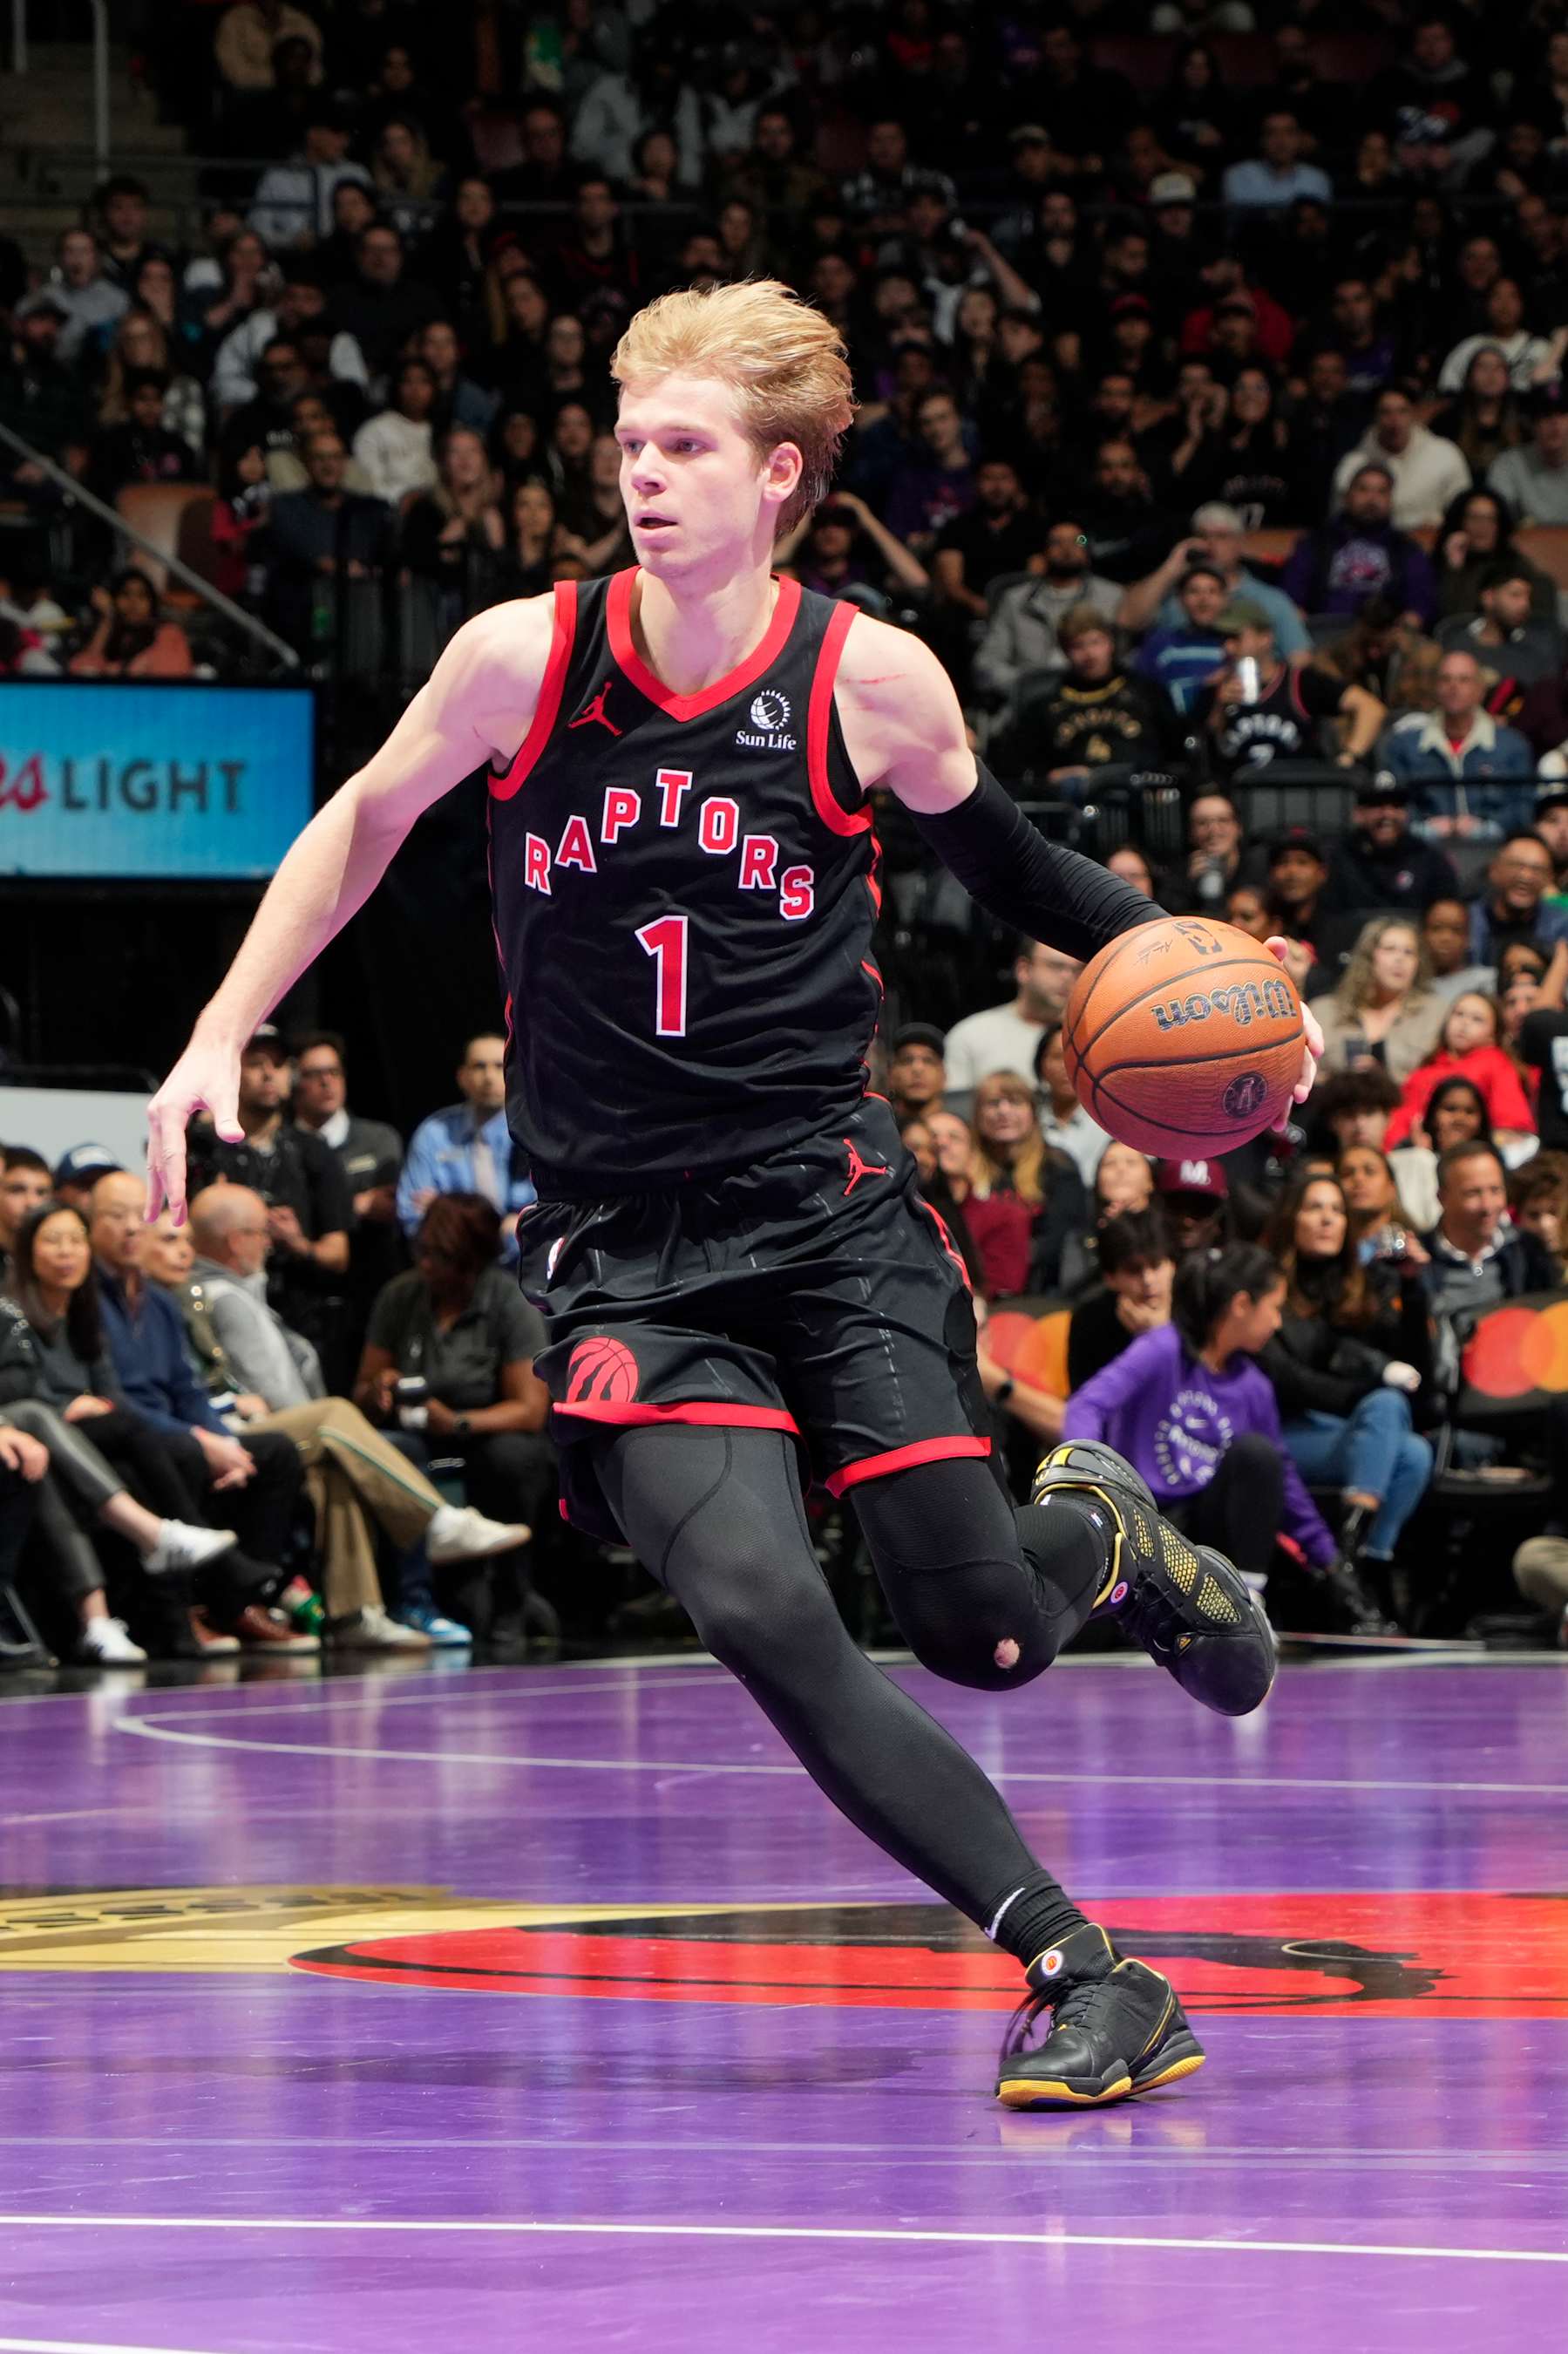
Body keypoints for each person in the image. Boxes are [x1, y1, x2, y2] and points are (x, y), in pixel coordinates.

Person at [148, 276, 1309, 2115]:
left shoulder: (864, 679)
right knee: (764, 1606)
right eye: (627, 443)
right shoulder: (520, 659)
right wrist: (223, 1026)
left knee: (982, 1635)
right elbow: (366, 818)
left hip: (826, 1215)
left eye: (684, 446)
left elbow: (1005, 861)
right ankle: (1081, 1967)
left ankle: (1101, 1533)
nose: (645, 476)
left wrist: (1220, 981)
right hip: (618, 1251)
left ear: (778, 475)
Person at [178, 1187, 526, 1645]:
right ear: (233, 1240)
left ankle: (357, 1615)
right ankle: (433, 1519)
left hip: (261, 1430)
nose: (269, 1242)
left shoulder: (227, 1294)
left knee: (340, 1465)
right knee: (333, 1417)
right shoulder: (222, 1297)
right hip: (244, 1435)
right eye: (261, 1232)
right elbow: (285, 1400)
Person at [1063, 1243, 1353, 1610]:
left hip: (1205, 1537)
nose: (1278, 1323)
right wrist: (1088, 1484)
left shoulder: (1254, 1384)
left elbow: (1285, 1482)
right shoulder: (1163, 1348)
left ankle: (1246, 1604)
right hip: (1146, 1527)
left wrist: (1330, 1560)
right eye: (1275, 1309)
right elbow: (1086, 1405)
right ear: (1242, 1305)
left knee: (1259, 1456)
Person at [354, 1194, 554, 1640]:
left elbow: (529, 1409)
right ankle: (411, 1597)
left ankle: (512, 1596)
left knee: (512, 1456)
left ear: (471, 1260)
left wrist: (458, 1422)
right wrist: (380, 1391)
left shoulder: (508, 1301)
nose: (427, 1265)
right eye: (421, 1252)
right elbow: (362, 1392)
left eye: (440, 1257)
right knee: (390, 1448)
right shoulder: (400, 1296)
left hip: (482, 1430)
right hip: (416, 1435)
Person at [1259, 1173, 1432, 1624]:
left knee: (1414, 1453)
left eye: (1337, 1211)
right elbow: (1288, 1380)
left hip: (1350, 1432)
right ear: (1290, 1219)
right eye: (1314, 1208)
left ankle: (1364, 1564)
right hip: (1285, 1433)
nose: (1327, 1219)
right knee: (1386, 1407)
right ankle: (1351, 1567)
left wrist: (1413, 1289)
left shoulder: (1358, 1286)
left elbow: (1416, 1371)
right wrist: (1366, 1393)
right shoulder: (1267, 1285)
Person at [187, 1024, 351, 1370]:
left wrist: (297, 1243)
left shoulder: (313, 1152)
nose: (268, 1074)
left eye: (277, 1065)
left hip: (299, 1314)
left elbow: (338, 1255)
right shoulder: (204, 1150)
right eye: (256, 1063)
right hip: (222, 1307)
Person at [1195, 603, 1384, 781]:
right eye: (1223, 639)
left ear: (1265, 638)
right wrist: (1219, 707)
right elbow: (1204, 749)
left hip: (1295, 795)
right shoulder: (1215, 688)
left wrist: (1348, 758)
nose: (1228, 647)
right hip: (1237, 797)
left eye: (1236, 637)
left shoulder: (1301, 682)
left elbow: (1370, 708)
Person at [1378, 650, 1537, 842]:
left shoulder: (1513, 746)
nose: (1454, 687)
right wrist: (1424, 827)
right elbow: (1393, 806)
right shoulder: (1405, 745)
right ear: (1436, 688)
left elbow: (1524, 809)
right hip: (1423, 851)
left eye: (1464, 680)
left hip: (1496, 850)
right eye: (1446, 679)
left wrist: (1486, 828)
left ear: (1480, 690)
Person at [396, 1032, 535, 1249]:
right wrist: (505, 1228)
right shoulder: (434, 1134)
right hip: (456, 1270)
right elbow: (412, 1216)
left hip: (526, 1268)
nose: (489, 1077)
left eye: (499, 1066)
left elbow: (552, 1214)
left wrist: (445, 1211)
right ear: (462, 1077)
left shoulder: (536, 1133)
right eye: (479, 1066)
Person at [962, 1073, 1088, 1299]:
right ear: (978, 1115)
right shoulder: (963, 1171)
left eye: (1015, 1102)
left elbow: (1060, 1241)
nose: (1003, 1111)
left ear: (1033, 1113)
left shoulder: (1058, 1167)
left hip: (1044, 1293)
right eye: (993, 1103)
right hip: (977, 1292)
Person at [942, 940, 1082, 1115]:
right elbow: (955, 1115)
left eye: (1078, 970)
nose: (1068, 977)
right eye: (1056, 966)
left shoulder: (1093, 1039)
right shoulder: (971, 1035)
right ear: (1023, 969)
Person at [1385, 994, 1536, 1154]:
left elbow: (1512, 1129)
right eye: (1459, 1014)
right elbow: (1399, 1122)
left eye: (1477, 1019)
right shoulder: (1423, 1071)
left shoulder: (1497, 1064)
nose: (1464, 1023)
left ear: (1492, 1034)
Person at [1313, 915, 1445, 1085]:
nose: (1400, 959)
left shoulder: (1435, 1013)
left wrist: (1385, 1080)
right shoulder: (1324, 1010)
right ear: (1368, 957)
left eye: (1409, 952)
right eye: (1390, 949)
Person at [1333, 387, 1470, 532]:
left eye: (1402, 411)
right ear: (1375, 417)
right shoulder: (1353, 464)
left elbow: (1463, 512)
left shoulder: (1445, 455)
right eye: (1386, 412)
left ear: (1414, 414)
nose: (1394, 421)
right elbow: (1337, 521)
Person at [1066, 1208, 1175, 1390]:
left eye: (1156, 1266)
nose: (1148, 1280)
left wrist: (1162, 1333)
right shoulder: (1090, 1321)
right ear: (1110, 1279)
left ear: (1173, 1266)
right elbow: (1089, 1401)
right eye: (1133, 1270)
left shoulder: (1199, 1308)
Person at [1326, 778, 1460, 917]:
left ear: (1406, 813)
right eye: (1377, 805)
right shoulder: (1338, 857)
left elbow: (1447, 914)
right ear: (1358, 814)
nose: (1387, 814)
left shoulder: (1429, 858)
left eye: (1396, 805)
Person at [1388, 1074, 1494, 1234]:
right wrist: (1424, 1156)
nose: (1460, 1118)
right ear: (1433, 1116)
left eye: (1470, 1111)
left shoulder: (1493, 1161)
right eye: (1450, 1109)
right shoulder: (1412, 1154)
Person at [68, 568, 193, 681]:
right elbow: (82, 671)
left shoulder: (168, 634)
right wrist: (108, 619)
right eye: (125, 594)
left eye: (142, 596)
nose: (133, 603)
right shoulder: (111, 633)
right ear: (114, 600)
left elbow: (170, 677)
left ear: (152, 603)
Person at [1469, 834, 1568, 963]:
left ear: (1549, 878)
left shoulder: (1561, 925)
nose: (1526, 877)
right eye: (1516, 865)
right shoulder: (1467, 920)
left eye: (1537, 869)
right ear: (1494, 871)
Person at [1033, 1020, 1109, 1187]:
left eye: (1077, 1057)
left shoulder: (1113, 1119)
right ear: (1041, 1066)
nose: (1067, 1066)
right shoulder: (1027, 1119)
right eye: (1057, 1057)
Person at [1338, 1141, 1429, 1265]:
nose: (1358, 1179)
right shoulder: (1328, 1252)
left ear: (1392, 1187)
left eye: (1370, 1171)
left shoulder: (1421, 1249)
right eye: (1347, 1173)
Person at [886, 1024, 947, 1127]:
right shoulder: (875, 1132)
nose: (917, 1069)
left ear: (944, 1076)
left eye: (929, 1060)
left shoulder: (963, 1134)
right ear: (891, 1076)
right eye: (906, 1060)